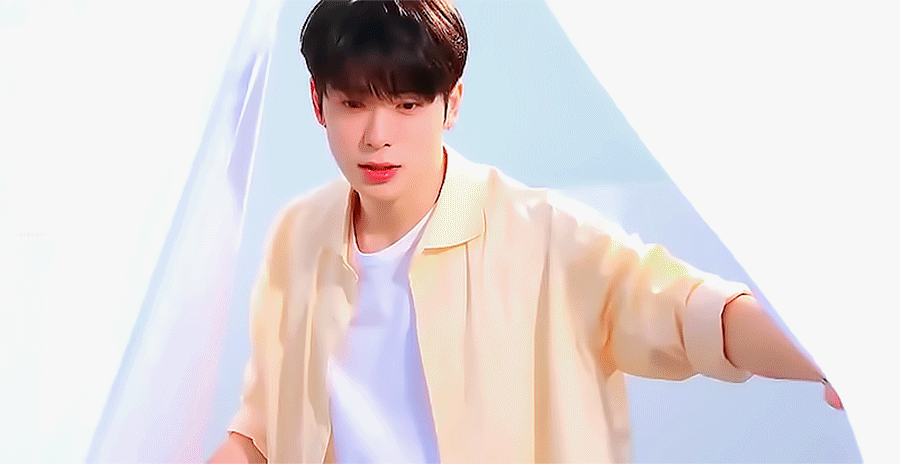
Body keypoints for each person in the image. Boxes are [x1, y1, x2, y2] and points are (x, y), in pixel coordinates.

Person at [209, 1, 841, 462]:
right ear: (317, 101)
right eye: (354, 104)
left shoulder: (540, 234)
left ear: (452, 103)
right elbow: (264, 432)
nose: (378, 136)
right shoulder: (300, 236)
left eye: (407, 105)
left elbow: (691, 312)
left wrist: (831, 358)